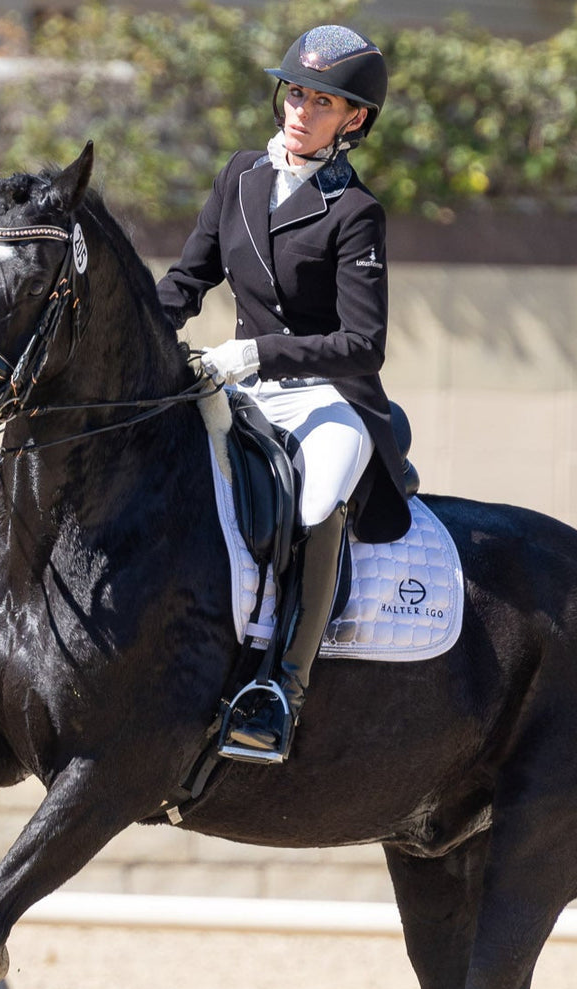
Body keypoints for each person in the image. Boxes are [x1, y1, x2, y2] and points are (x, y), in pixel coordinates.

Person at [157, 24, 415, 760]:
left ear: (354, 119)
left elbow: (364, 344)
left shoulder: (354, 212)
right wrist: (140, 328)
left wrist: (254, 353)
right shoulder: (239, 174)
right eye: (295, 92)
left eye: (323, 102)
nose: (300, 111)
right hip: (246, 386)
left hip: (329, 395)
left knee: (313, 503)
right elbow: (187, 280)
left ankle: (280, 693)